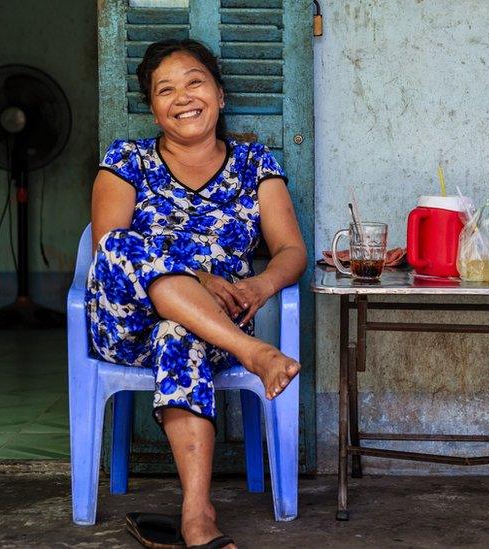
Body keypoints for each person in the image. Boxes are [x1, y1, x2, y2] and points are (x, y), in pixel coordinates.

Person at [87, 39, 306, 549]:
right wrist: (201, 279)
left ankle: (196, 516)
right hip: (128, 323)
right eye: (166, 90)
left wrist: (261, 283)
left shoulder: (255, 164)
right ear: (154, 108)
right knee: (121, 244)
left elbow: (292, 249)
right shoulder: (128, 159)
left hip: (212, 328)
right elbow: (108, 250)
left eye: (195, 82)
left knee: (178, 335)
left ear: (221, 96)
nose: (182, 97)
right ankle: (256, 354)